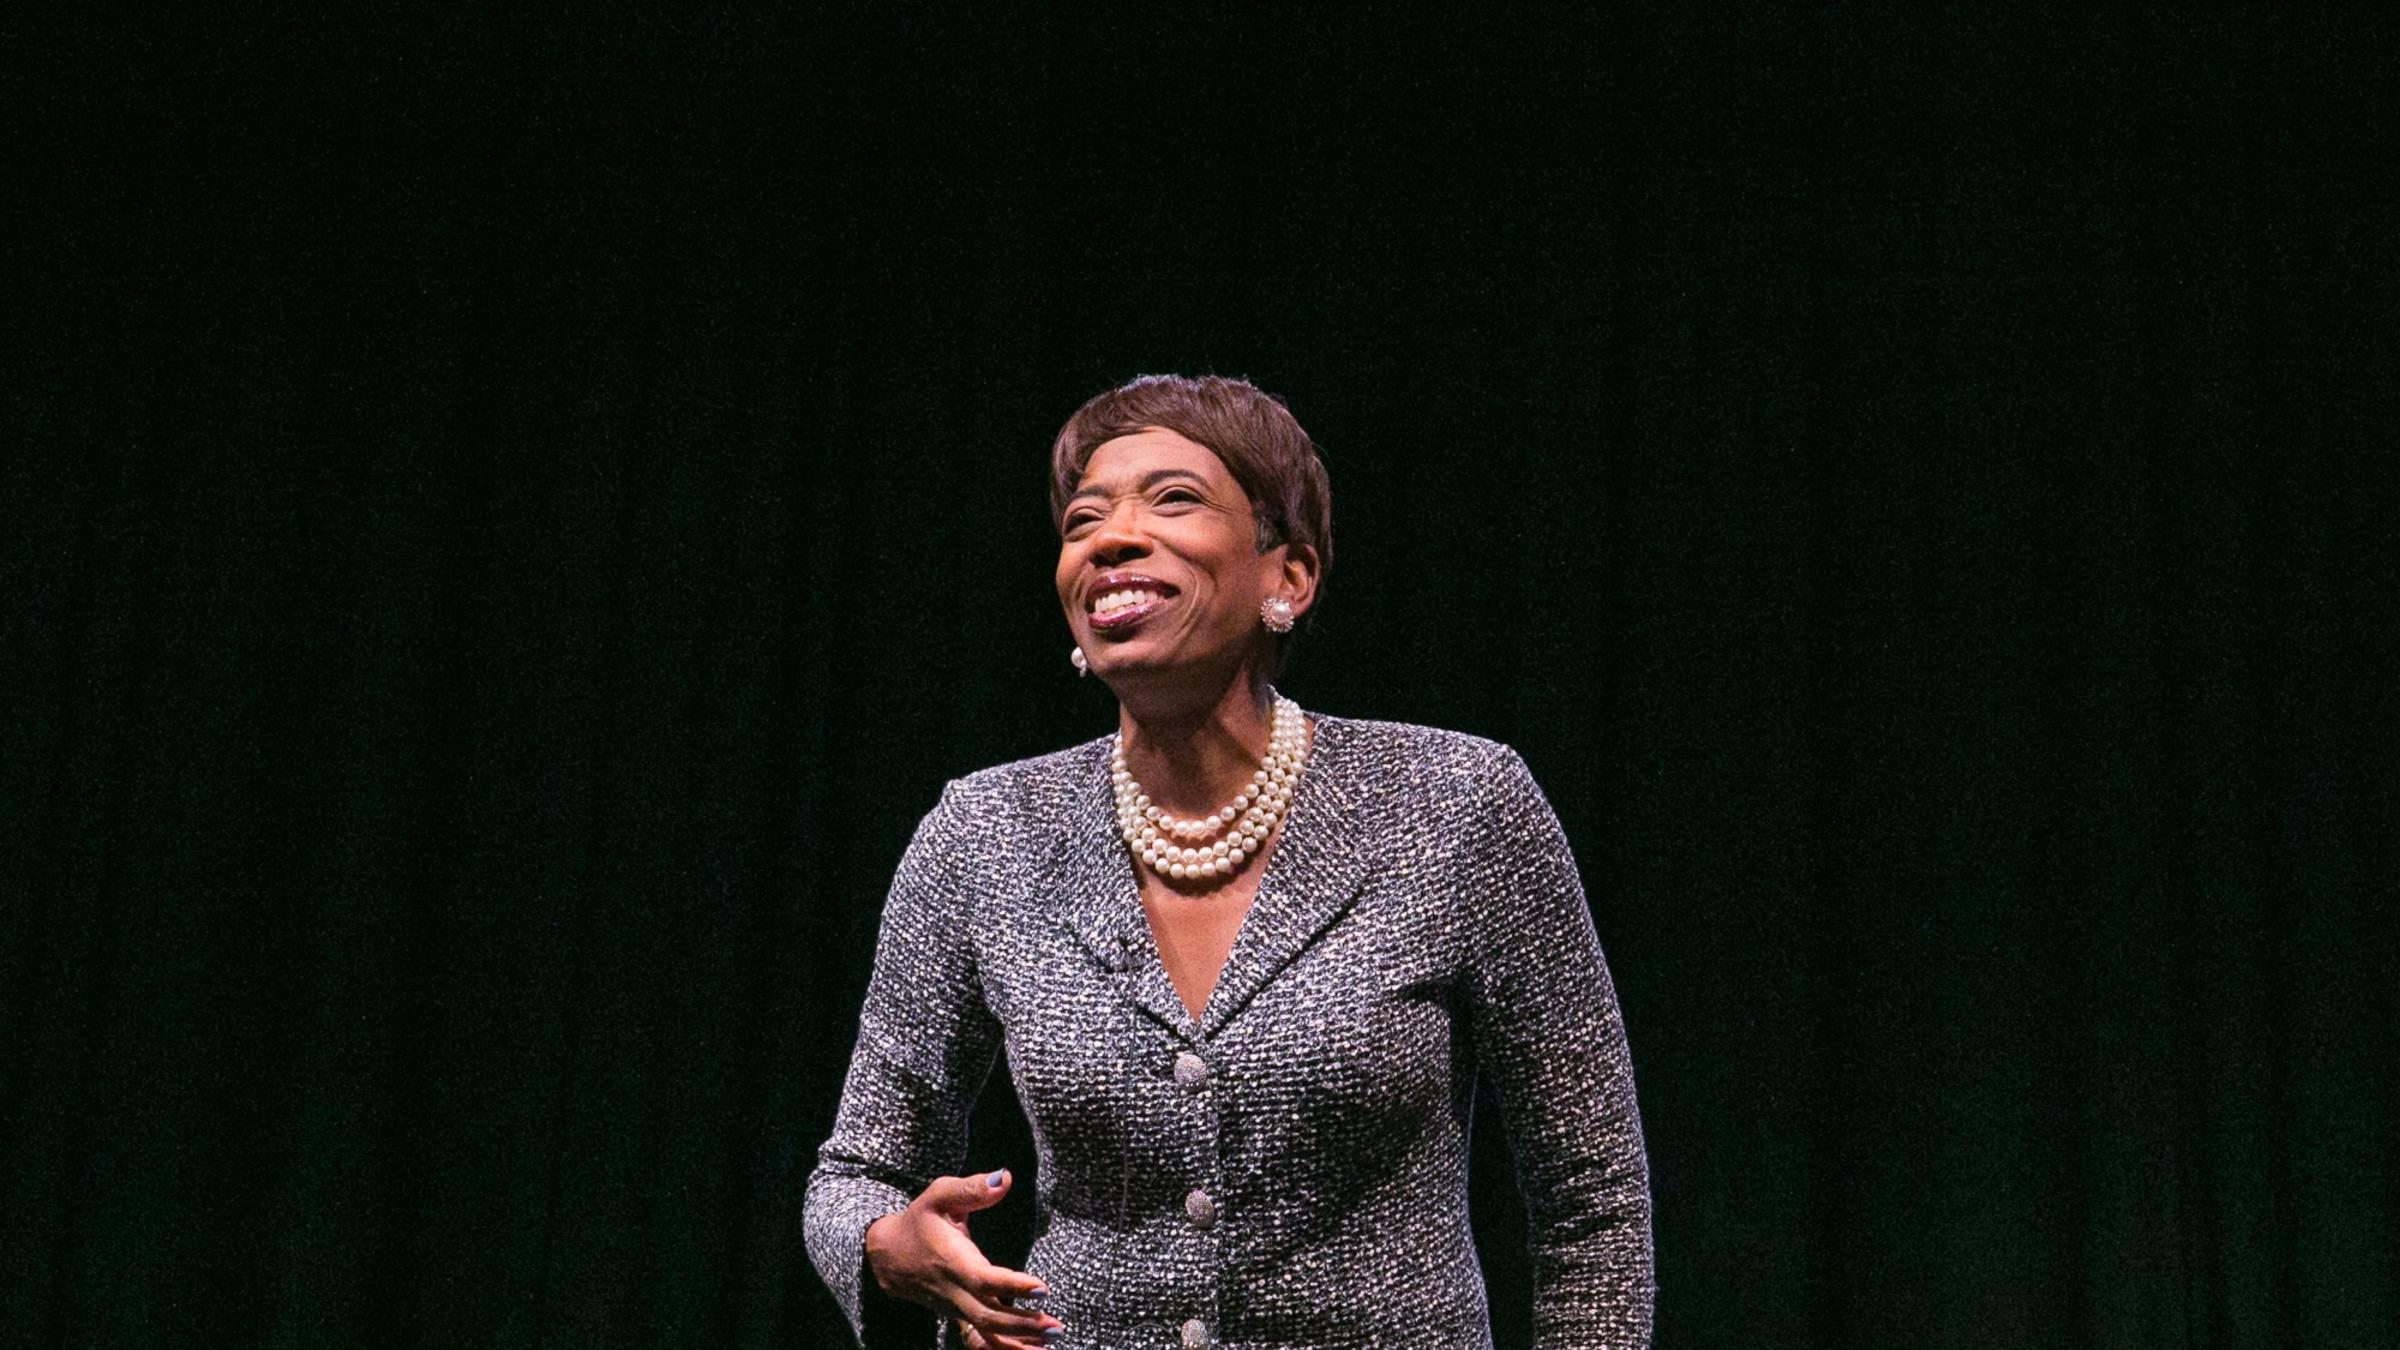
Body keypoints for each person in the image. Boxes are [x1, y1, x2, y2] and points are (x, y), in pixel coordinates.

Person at [804, 374, 1652, 1349]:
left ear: (1286, 577)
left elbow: (1595, 1201)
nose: (1111, 538)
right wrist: (882, 1241)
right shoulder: (985, 831)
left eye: (1173, 499)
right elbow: (858, 1169)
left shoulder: (1458, 803)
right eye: (1084, 519)